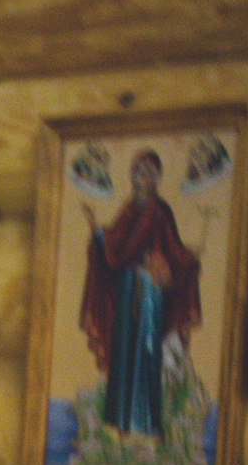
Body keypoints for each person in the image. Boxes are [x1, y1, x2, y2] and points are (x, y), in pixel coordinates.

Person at [78, 148, 201, 437]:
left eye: (148, 173)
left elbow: (171, 250)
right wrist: (96, 230)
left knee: (146, 352)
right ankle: (120, 423)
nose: (141, 178)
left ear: (157, 177)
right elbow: (115, 249)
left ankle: (147, 423)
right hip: (125, 289)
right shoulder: (130, 210)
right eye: (137, 173)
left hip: (149, 292)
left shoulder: (160, 212)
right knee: (123, 352)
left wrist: (187, 260)